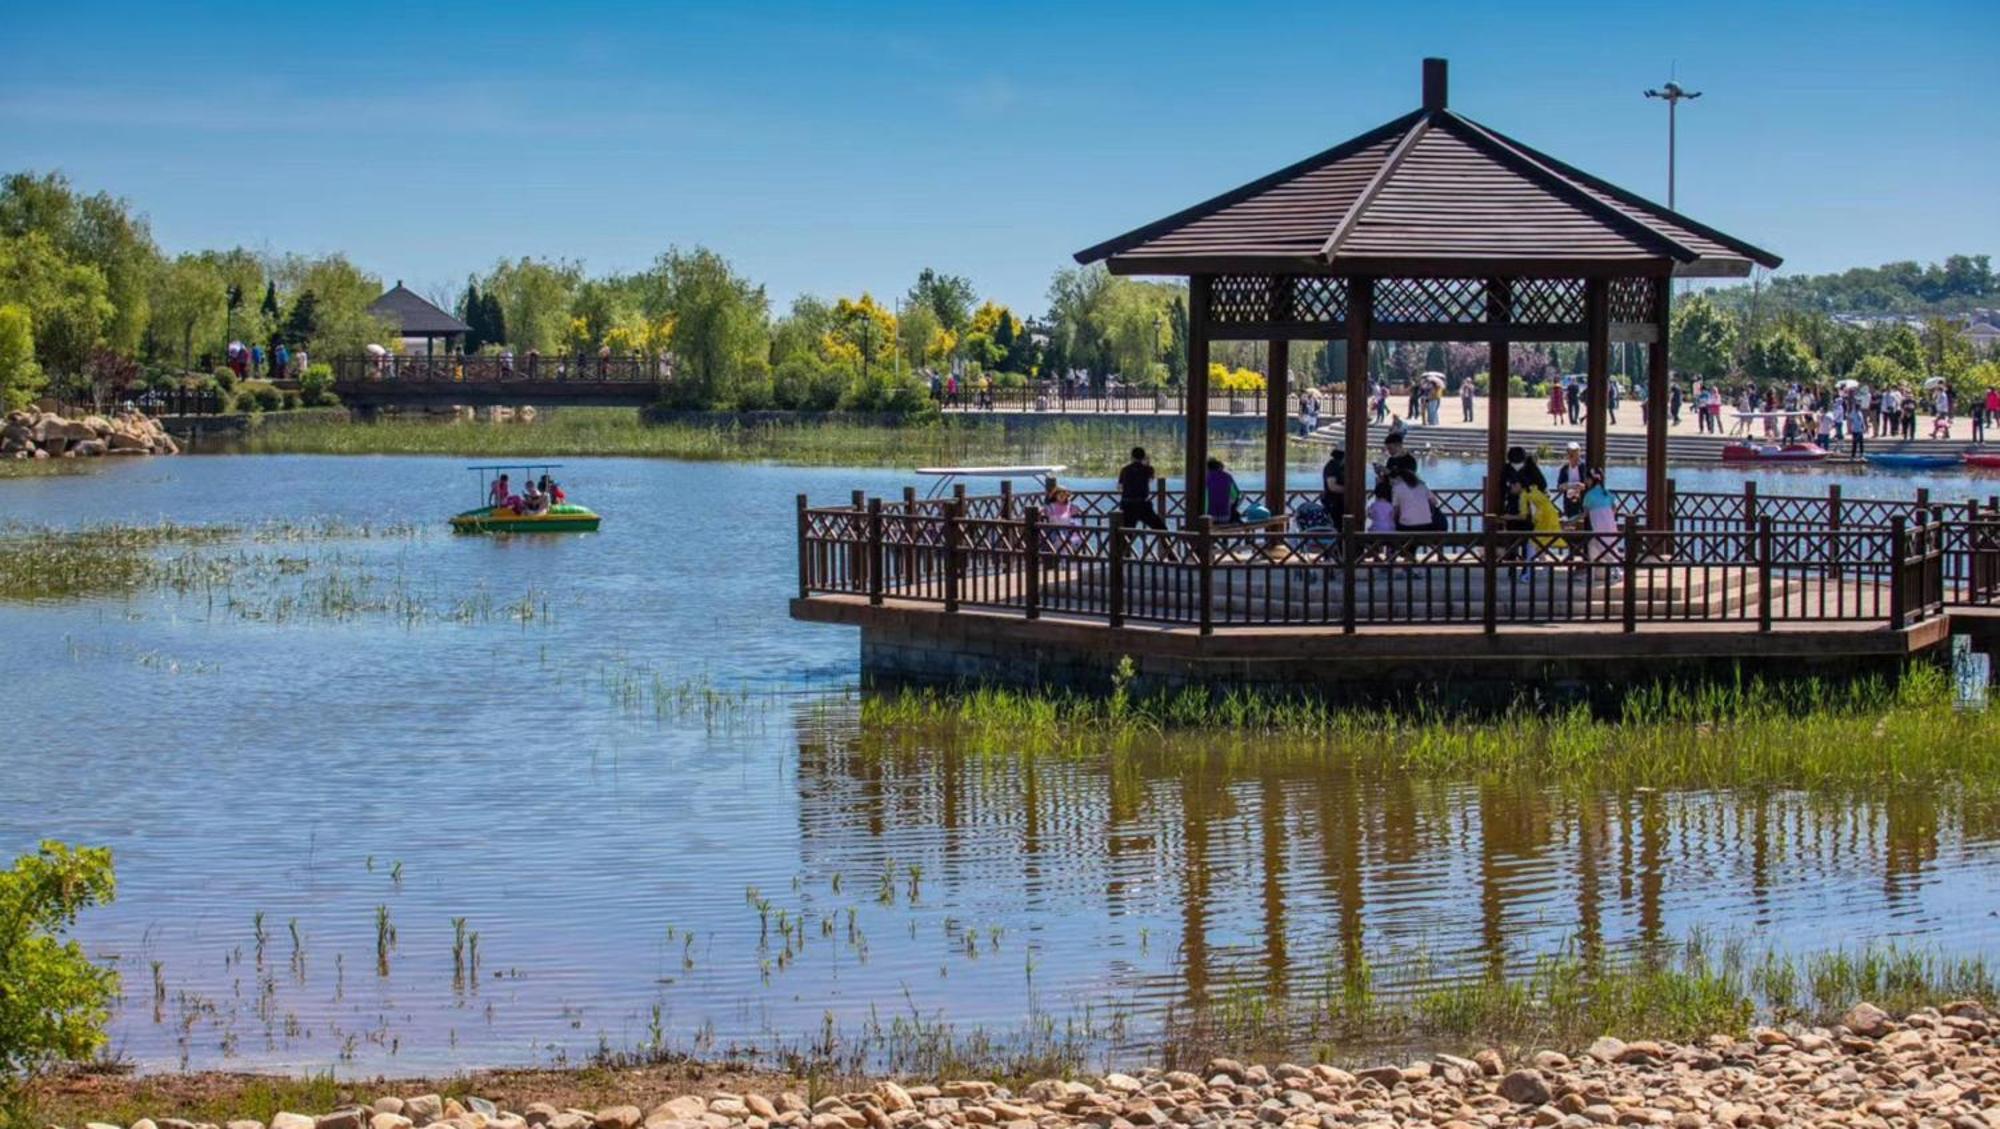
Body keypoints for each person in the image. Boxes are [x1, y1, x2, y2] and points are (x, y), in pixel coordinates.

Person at [1116, 447, 1166, 530]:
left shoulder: (1125, 470)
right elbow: (1151, 479)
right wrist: (1147, 463)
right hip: (1142, 504)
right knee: (1161, 528)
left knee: (1126, 533)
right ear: (1143, 457)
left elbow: (1119, 487)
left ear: (1131, 457)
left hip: (1128, 504)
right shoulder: (1148, 469)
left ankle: (1120, 543)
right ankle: (1168, 542)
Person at [1581, 469, 1620, 572]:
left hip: (1599, 527)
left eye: (1587, 479)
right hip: (1611, 526)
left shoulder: (1588, 495)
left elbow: (1584, 514)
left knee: (1603, 550)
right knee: (1599, 547)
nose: (1585, 481)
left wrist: (1570, 521)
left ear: (1591, 480)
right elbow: (1614, 509)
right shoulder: (1608, 494)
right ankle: (1594, 573)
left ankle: (1616, 571)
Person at [1554, 442, 1591, 521]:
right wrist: (1570, 485)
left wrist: (1581, 486)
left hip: (1582, 503)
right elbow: (1559, 487)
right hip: (1569, 503)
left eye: (1575, 452)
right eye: (1570, 452)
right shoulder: (1564, 469)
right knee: (1570, 524)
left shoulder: (1583, 467)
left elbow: (1588, 484)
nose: (1573, 455)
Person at [1204, 457, 1241, 524]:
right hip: (1225, 516)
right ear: (1220, 467)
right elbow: (1236, 495)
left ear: (1208, 468)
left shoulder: (1206, 477)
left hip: (1207, 517)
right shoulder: (1228, 477)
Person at [1319, 446, 1345, 517]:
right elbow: (1332, 487)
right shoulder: (1332, 466)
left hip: (1340, 503)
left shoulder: (1341, 466)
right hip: (1334, 504)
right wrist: (1351, 491)